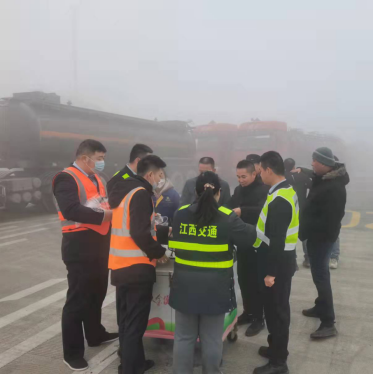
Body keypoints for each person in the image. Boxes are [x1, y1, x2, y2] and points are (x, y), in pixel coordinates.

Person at [169, 171, 256, 374]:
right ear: (219, 192)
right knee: (211, 339)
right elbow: (249, 238)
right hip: (215, 290)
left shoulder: (181, 214)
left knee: (183, 338)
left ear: (195, 191)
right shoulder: (227, 217)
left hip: (184, 287)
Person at [52, 139, 118, 371]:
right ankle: (72, 353)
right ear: (84, 158)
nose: (102, 163)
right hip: (79, 245)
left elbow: (105, 202)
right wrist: (105, 216)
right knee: (77, 299)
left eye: (103, 159)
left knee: (97, 292)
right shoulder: (65, 178)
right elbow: (70, 209)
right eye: (99, 158)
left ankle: (95, 334)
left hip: (100, 243)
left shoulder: (98, 178)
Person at [108, 155, 172, 374]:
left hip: (120, 265)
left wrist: (161, 231)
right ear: (151, 174)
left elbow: (133, 225)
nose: (161, 179)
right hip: (137, 267)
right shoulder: (141, 193)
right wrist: (159, 253)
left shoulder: (124, 191)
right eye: (160, 175)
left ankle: (133, 363)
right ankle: (130, 369)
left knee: (126, 321)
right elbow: (139, 232)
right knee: (135, 324)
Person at [253, 151, 298, 374]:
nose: (259, 174)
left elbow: (278, 239)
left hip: (278, 264)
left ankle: (279, 363)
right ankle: (274, 348)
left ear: (269, 170)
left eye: (260, 170)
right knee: (272, 309)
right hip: (280, 260)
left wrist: (271, 273)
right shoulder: (284, 190)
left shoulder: (280, 200)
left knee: (277, 312)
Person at [299, 147, 349, 339]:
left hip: (321, 238)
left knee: (321, 277)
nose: (312, 164)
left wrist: (307, 229)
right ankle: (320, 306)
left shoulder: (333, 188)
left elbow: (330, 219)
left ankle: (328, 323)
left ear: (325, 164)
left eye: (315, 161)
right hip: (316, 237)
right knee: (319, 274)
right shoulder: (324, 179)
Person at [227, 160, 269, 337]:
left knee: (257, 281)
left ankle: (259, 318)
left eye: (243, 176)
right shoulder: (238, 190)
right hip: (242, 242)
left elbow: (262, 210)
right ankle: (248, 312)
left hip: (258, 243)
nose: (240, 180)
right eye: (238, 177)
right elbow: (230, 206)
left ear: (254, 174)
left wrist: (242, 211)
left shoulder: (264, 190)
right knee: (243, 279)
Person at [283, 158, 312, 269]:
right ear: (294, 166)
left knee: (289, 235)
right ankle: (308, 258)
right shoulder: (302, 176)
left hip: (287, 209)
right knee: (304, 234)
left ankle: (292, 260)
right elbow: (312, 185)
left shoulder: (282, 177)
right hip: (302, 209)